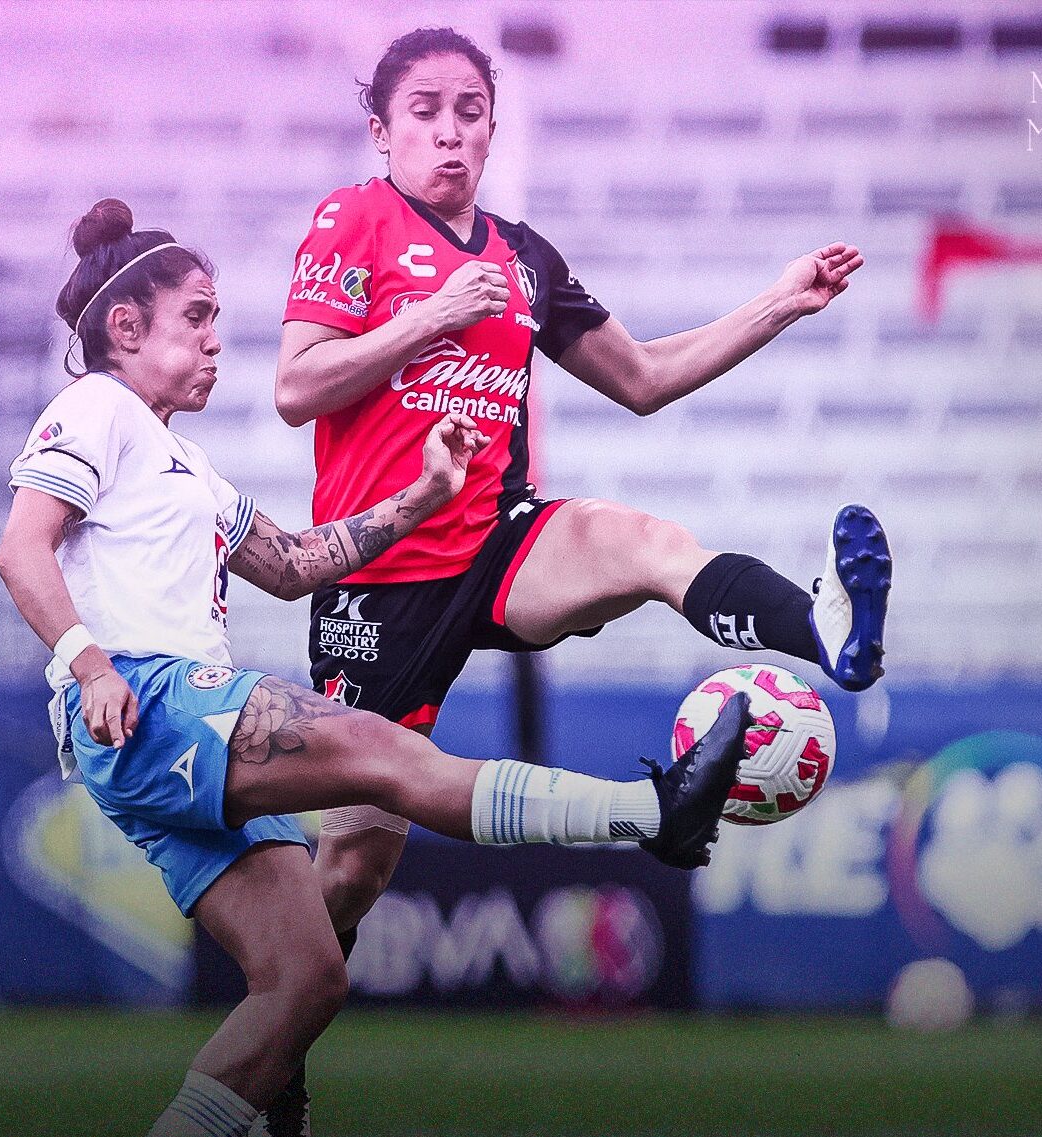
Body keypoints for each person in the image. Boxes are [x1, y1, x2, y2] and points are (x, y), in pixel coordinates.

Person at [0, 197, 753, 1137]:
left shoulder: (187, 463)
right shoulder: (95, 406)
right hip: (144, 701)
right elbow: (22, 548)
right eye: (197, 317)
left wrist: (425, 493)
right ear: (125, 325)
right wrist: (90, 663)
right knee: (383, 754)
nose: (216, 340)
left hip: (164, 737)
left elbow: (293, 565)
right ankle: (654, 812)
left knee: (307, 976)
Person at [264, 25, 894, 1134]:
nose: (449, 130)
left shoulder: (522, 259)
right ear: (380, 128)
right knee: (357, 858)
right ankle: (276, 1052)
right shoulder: (351, 220)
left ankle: (825, 626)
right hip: (378, 574)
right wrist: (425, 320)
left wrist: (779, 303)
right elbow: (296, 387)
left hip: (500, 542)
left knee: (634, 538)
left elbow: (643, 379)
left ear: (492, 126)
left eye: (469, 109)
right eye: (423, 110)